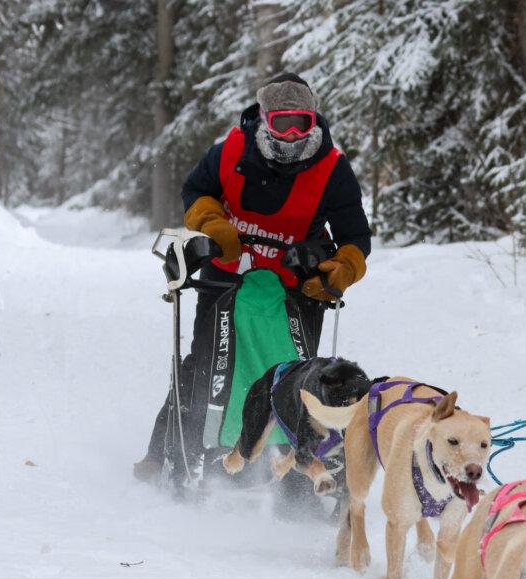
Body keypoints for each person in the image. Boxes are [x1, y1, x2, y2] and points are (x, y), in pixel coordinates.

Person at [134, 72, 371, 481]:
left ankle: (301, 472)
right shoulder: (231, 151)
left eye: (303, 123)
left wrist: (343, 268)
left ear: (315, 122)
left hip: (297, 286)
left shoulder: (333, 168)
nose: (293, 135)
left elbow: (355, 236)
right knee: (206, 362)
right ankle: (169, 451)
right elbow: (196, 190)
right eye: (283, 123)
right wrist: (211, 220)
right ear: (264, 119)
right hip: (226, 275)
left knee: (297, 376)